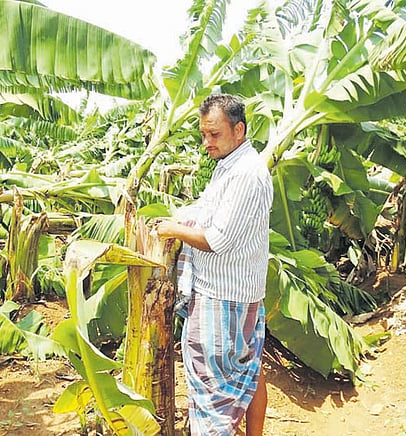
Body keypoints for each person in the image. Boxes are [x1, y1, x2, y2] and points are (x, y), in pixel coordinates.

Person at [155, 94, 273, 435]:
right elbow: (209, 208)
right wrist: (182, 216)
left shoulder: (246, 174)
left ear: (239, 130)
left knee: (212, 390)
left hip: (223, 297)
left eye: (215, 134)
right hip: (238, 293)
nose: (207, 142)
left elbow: (218, 239)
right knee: (247, 371)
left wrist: (172, 230)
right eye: (204, 134)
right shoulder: (230, 164)